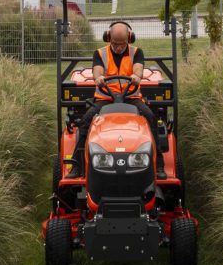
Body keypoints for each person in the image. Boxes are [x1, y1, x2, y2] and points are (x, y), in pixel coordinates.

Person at [67, 21, 165, 179]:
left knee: (150, 117)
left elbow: (138, 69)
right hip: (106, 98)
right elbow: (97, 71)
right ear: (108, 38)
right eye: (115, 43)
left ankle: (158, 164)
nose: (119, 47)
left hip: (131, 98)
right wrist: (98, 78)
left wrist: (136, 76)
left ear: (130, 38)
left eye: (122, 43)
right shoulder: (100, 54)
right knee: (85, 121)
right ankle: (77, 166)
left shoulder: (136, 52)